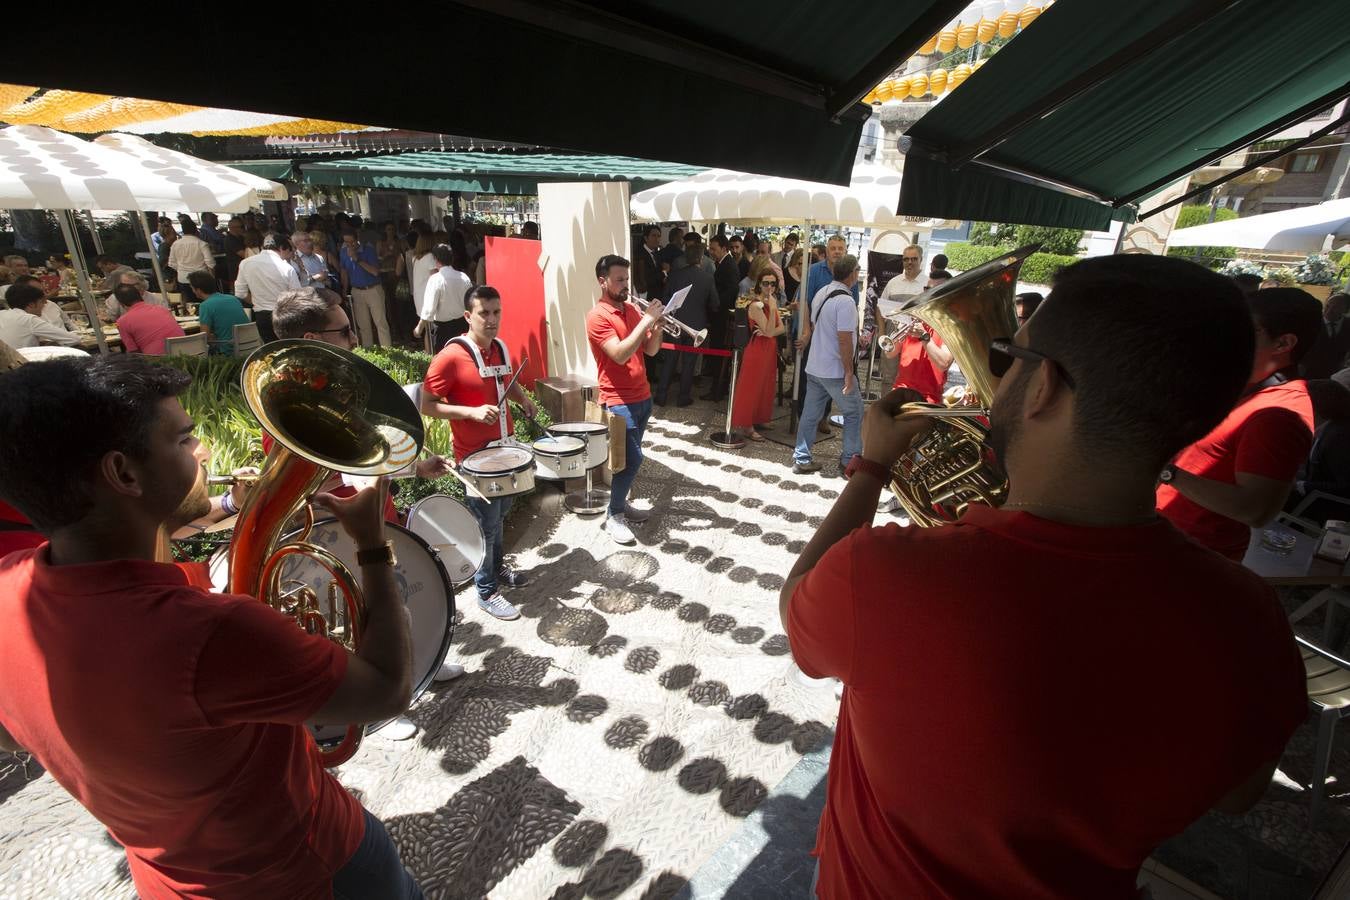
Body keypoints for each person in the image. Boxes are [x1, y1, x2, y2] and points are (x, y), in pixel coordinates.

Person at [781, 254, 1306, 900]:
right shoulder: (1250, 615)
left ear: (1044, 386)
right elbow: (1241, 793)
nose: (995, 377)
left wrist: (872, 470)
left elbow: (794, 609)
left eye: (1010, 356)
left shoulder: (890, 574)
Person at [0, 354, 427, 899]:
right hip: (309, 869)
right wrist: (373, 545)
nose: (202, 452)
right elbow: (387, 690)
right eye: (183, 441)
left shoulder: (8, 588)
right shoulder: (212, 633)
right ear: (123, 474)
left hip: (167, 879)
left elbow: (11, 736)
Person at [1158, 287, 1323, 559]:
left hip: (1195, 556)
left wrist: (1166, 472)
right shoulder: (1250, 389)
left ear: (1283, 344)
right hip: (1168, 539)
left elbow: (1255, 510)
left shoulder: (1278, 414)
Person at [422, 285, 539, 622]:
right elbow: (428, 405)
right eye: (484, 313)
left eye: (496, 312)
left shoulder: (500, 347)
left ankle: (498, 571)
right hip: (474, 460)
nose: (491, 320)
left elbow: (507, 381)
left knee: (499, 518)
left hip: (507, 452)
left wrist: (525, 400)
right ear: (467, 316)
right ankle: (486, 591)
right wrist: (470, 413)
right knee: (484, 526)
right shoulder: (449, 357)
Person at [587, 255, 663, 545]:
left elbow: (651, 350)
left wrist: (656, 327)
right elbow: (619, 353)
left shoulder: (631, 309)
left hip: (642, 395)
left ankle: (621, 505)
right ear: (602, 281)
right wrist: (646, 319)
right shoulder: (598, 316)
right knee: (631, 460)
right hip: (617, 399)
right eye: (619, 280)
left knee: (628, 460)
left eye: (626, 280)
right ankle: (614, 515)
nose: (624, 286)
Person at [793, 255, 864, 477]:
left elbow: (816, 326)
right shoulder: (846, 301)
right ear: (852, 273)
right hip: (834, 370)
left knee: (810, 414)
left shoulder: (822, 293)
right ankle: (849, 461)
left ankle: (802, 458)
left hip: (815, 365)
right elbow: (844, 340)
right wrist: (849, 372)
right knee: (854, 412)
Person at [797, 235, 857, 427]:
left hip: (837, 336)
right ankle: (805, 419)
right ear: (827, 251)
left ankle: (823, 417)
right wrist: (806, 333)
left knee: (834, 376)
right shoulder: (814, 271)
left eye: (841, 248)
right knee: (809, 378)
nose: (837, 251)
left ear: (845, 251)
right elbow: (804, 302)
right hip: (815, 335)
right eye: (833, 248)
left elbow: (853, 304)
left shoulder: (850, 274)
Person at [655, 239, 717, 407]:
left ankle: (661, 396)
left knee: (670, 360)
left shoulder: (674, 275)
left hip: (674, 322)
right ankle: (683, 397)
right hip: (696, 324)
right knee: (689, 363)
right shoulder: (708, 278)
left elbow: (665, 299)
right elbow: (715, 304)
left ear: (685, 258)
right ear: (701, 259)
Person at [731, 268, 787, 441]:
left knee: (765, 385)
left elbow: (781, 329)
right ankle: (747, 425)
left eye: (772, 283)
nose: (769, 286)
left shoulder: (771, 301)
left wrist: (771, 326)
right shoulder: (756, 305)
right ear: (759, 284)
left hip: (768, 348)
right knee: (752, 387)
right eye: (765, 283)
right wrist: (772, 310)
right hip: (756, 349)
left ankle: (760, 418)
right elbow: (771, 330)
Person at [234, 234, 302, 343]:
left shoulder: (245, 263)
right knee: (289, 350)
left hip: (262, 315)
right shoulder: (287, 268)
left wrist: (259, 301)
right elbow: (298, 296)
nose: (290, 255)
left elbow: (240, 293)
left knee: (270, 351)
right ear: (281, 248)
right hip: (284, 315)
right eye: (290, 251)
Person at [415, 243, 473, 354]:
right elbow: (471, 303)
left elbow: (429, 310)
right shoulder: (464, 277)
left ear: (436, 259)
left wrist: (419, 328)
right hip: (462, 326)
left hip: (442, 330)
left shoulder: (435, 280)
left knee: (444, 360)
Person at [339, 230, 391, 348]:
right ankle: (368, 350)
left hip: (373, 289)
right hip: (356, 290)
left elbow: (375, 271)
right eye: (346, 242)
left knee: (380, 322)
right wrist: (344, 290)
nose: (348, 245)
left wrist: (357, 259)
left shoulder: (368, 250)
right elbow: (344, 271)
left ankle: (388, 350)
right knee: (363, 325)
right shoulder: (343, 252)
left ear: (357, 240)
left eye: (351, 242)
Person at [704, 235, 740, 402]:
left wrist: (716, 304)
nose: (711, 252)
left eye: (714, 249)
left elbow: (731, 290)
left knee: (719, 353)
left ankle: (718, 389)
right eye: (710, 249)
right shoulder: (722, 263)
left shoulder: (729, 265)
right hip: (718, 314)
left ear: (724, 248)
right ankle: (718, 387)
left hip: (722, 316)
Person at [0, 282, 82, 349]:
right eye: (41, 302)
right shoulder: (29, 319)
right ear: (31, 304)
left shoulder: (2, 314)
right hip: (25, 365)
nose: (44, 305)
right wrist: (51, 344)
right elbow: (74, 339)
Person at [188, 271, 250, 356]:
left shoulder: (205, 306)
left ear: (198, 290)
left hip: (227, 351)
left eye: (192, 288)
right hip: (249, 346)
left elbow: (204, 337)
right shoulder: (233, 298)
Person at [112, 283, 186, 355]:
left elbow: (133, 352)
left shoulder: (122, 322)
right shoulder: (161, 309)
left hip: (159, 361)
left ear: (121, 303)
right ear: (140, 295)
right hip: (187, 354)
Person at [1302, 292, 1350, 380]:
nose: (1329, 311)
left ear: (1346, 310)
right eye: (1327, 306)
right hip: (1306, 371)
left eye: (1336, 308)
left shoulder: (1348, 326)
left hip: (1334, 375)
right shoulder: (1311, 322)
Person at [166, 219, 216, 291]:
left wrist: (182, 269)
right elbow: (210, 263)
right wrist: (212, 277)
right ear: (195, 230)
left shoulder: (175, 244)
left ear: (183, 230)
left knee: (189, 301)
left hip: (182, 278)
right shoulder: (201, 243)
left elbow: (171, 263)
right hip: (201, 278)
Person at [106, 270, 173, 321]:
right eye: (123, 285)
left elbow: (167, 317)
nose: (124, 288)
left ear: (141, 285)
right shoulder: (115, 298)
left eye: (129, 286)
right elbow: (111, 318)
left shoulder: (155, 299)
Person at [633, 225, 665, 299]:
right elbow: (646, 279)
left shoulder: (656, 253)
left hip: (657, 296)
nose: (657, 239)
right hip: (646, 297)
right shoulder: (639, 255)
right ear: (646, 238)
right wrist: (664, 273)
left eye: (659, 236)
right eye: (653, 236)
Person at [222, 217, 247, 287]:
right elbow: (245, 254)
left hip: (241, 271)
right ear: (233, 228)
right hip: (236, 272)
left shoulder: (240, 238)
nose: (244, 228)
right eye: (242, 226)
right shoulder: (230, 239)